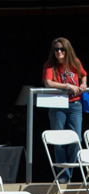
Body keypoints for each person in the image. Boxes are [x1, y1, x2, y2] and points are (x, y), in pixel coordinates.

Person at [42, 38, 87, 183]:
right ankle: (63, 176)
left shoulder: (75, 62)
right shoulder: (50, 65)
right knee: (59, 141)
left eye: (62, 49)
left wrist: (84, 83)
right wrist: (68, 86)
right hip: (57, 105)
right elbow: (48, 82)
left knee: (76, 139)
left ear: (68, 50)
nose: (59, 52)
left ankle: (69, 173)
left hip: (75, 105)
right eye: (56, 49)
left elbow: (83, 74)